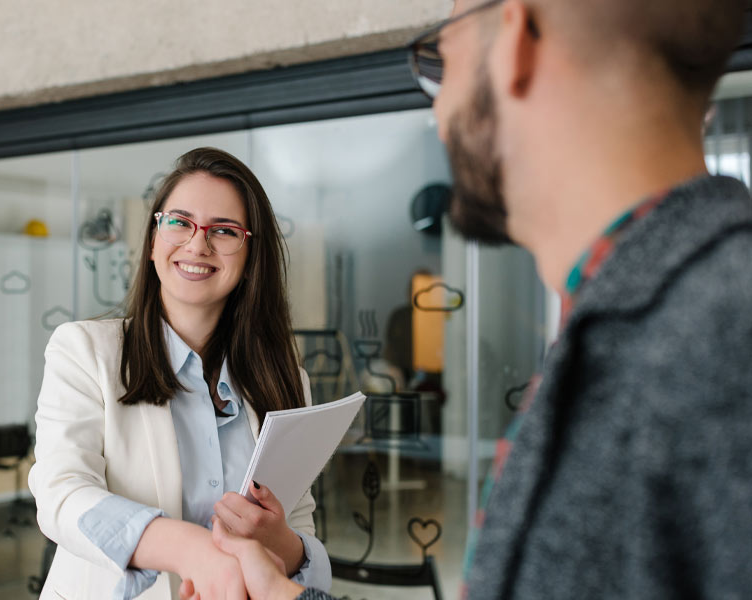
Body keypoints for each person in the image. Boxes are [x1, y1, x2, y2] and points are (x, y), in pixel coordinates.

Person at [213, 0, 752, 598]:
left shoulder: (720, 334)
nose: (439, 109)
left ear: (515, 41)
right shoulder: (634, 327)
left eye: (442, 59)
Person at [28, 147, 333, 600]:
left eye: (224, 230)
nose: (197, 244)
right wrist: (190, 550)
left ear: (251, 257)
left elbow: (299, 525)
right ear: (154, 240)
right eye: (179, 222)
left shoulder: (284, 377)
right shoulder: (85, 351)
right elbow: (62, 495)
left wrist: (282, 543)